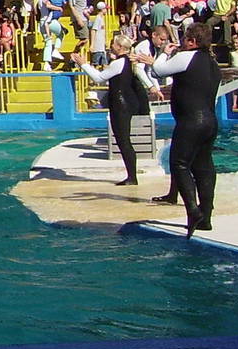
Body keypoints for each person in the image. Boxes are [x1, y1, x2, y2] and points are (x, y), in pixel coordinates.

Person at [133, 22, 220, 234]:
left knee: (179, 164)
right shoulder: (212, 62)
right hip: (210, 121)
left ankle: (193, 211)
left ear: (192, 41)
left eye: (185, 40)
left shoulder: (187, 56)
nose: (181, 43)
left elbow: (160, 70)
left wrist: (164, 52)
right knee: (204, 166)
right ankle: (206, 216)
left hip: (191, 121)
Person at [72, 34, 151, 185]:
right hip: (125, 103)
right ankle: (131, 176)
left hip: (121, 105)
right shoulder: (127, 61)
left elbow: (99, 78)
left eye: (113, 44)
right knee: (123, 140)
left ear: (120, 47)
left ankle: (132, 177)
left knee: (123, 141)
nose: (110, 46)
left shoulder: (119, 62)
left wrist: (83, 64)